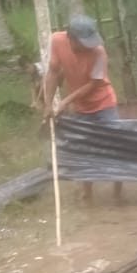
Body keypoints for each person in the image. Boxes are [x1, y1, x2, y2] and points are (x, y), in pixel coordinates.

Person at [43, 15, 121, 202]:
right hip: (81, 107)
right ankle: (87, 192)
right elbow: (53, 73)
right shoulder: (57, 40)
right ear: (71, 37)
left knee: (115, 146)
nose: (88, 47)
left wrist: (65, 101)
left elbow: (94, 84)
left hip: (104, 103)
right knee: (84, 148)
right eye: (83, 43)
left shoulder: (99, 52)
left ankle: (118, 192)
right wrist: (48, 104)